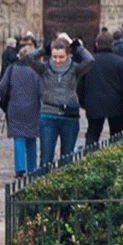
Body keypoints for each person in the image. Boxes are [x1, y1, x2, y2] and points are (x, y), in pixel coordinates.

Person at [24, 34, 95, 167]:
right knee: (46, 157)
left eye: (61, 57)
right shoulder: (44, 68)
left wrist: (77, 48)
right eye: (54, 56)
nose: (57, 60)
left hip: (70, 117)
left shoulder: (75, 69)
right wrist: (44, 50)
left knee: (67, 158)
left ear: (68, 55)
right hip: (48, 116)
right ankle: (44, 184)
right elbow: (28, 58)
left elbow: (90, 61)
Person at [79, 32, 123, 146]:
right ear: (112, 44)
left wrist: (84, 103)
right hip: (116, 104)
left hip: (94, 104)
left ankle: (88, 160)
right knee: (116, 137)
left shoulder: (89, 62)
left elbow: (80, 86)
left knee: (92, 134)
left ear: (97, 44)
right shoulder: (120, 62)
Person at [0, 45, 42, 176]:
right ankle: (32, 167)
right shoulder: (37, 72)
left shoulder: (11, 69)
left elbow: (1, 87)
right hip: (32, 108)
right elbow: (42, 92)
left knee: (18, 137)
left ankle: (20, 168)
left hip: (15, 108)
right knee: (31, 137)